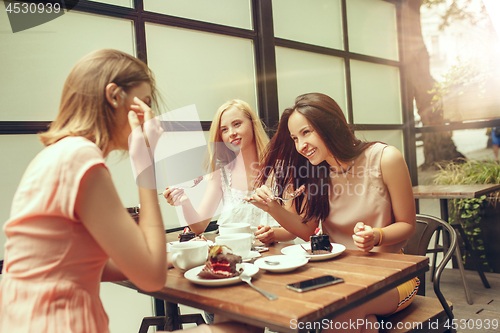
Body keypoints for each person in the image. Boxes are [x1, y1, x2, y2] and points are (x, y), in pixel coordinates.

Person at [0, 49, 259, 333]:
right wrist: (145, 164)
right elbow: (152, 278)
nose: (152, 117)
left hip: (21, 320)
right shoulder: (80, 159)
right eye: (145, 103)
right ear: (114, 96)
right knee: (241, 328)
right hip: (60, 322)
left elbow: (80, 263)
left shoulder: (56, 155)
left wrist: (173, 257)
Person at [248, 93, 418, 333]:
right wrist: (271, 208)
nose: (300, 145)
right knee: (296, 305)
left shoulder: (385, 158)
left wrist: (376, 235)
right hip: (339, 276)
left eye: (306, 132)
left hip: (393, 276)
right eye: (295, 138)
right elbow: (306, 231)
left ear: (331, 124)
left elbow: (408, 225)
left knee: (341, 312)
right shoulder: (315, 173)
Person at [162, 99, 296, 245]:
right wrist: (184, 202)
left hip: (281, 259)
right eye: (224, 130)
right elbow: (199, 227)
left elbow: (295, 228)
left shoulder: (283, 170)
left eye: (237, 124)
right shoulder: (221, 175)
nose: (231, 133)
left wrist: (274, 234)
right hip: (239, 261)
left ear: (252, 124)